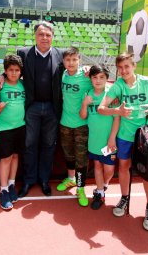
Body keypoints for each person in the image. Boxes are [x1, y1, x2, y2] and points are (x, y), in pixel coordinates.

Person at [98, 52, 148, 232]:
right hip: (125, 135)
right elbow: (101, 108)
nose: (123, 71)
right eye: (120, 68)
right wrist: (118, 111)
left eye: (126, 66)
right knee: (123, 167)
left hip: (145, 136)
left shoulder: (147, 82)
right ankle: (124, 198)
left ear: (134, 66)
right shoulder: (119, 86)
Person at [17, 21, 64, 198]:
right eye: (41, 34)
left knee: (48, 145)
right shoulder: (22, 53)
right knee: (29, 145)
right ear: (35, 36)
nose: (44, 37)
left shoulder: (61, 54)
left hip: (52, 108)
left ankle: (44, 180)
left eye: (48, 35)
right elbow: (11, 72)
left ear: (52, 37)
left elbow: (75, 71)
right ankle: (28, 180)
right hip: (32, 108)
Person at [55, 47, 92, 206]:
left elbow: (102, 83)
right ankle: (70, 179)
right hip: (64, 123)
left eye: (74, 60)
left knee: (81, 158)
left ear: (79, 61)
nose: (71, 63)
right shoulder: (62, 75)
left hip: (81, 124)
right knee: (69, 154)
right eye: (68, 60)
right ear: (63, 62)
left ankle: (80, 187)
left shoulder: (86, 76)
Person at [79, 64, 119, 210]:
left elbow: (116, 118)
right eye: (95, 77)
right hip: (94, 139)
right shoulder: (88, 94)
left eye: (102, 77)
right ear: (90, 79)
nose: (98, 80)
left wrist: (112, 138)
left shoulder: (111, 95)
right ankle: (100, 192)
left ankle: (105, 184)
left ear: (107, 79)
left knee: (109, 169)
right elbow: (83, 116)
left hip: (109, 139)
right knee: (97, 165)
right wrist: (84, 104)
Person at [0, 55, 25, 210]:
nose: (14, 73)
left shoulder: (23, 85)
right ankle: (3, 189)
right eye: (10, 70)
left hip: (20, 127)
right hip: (4, 129)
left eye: (17, 70)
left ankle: (12, 184)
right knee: (5, 158)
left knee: (15, 156)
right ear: (5, 71)